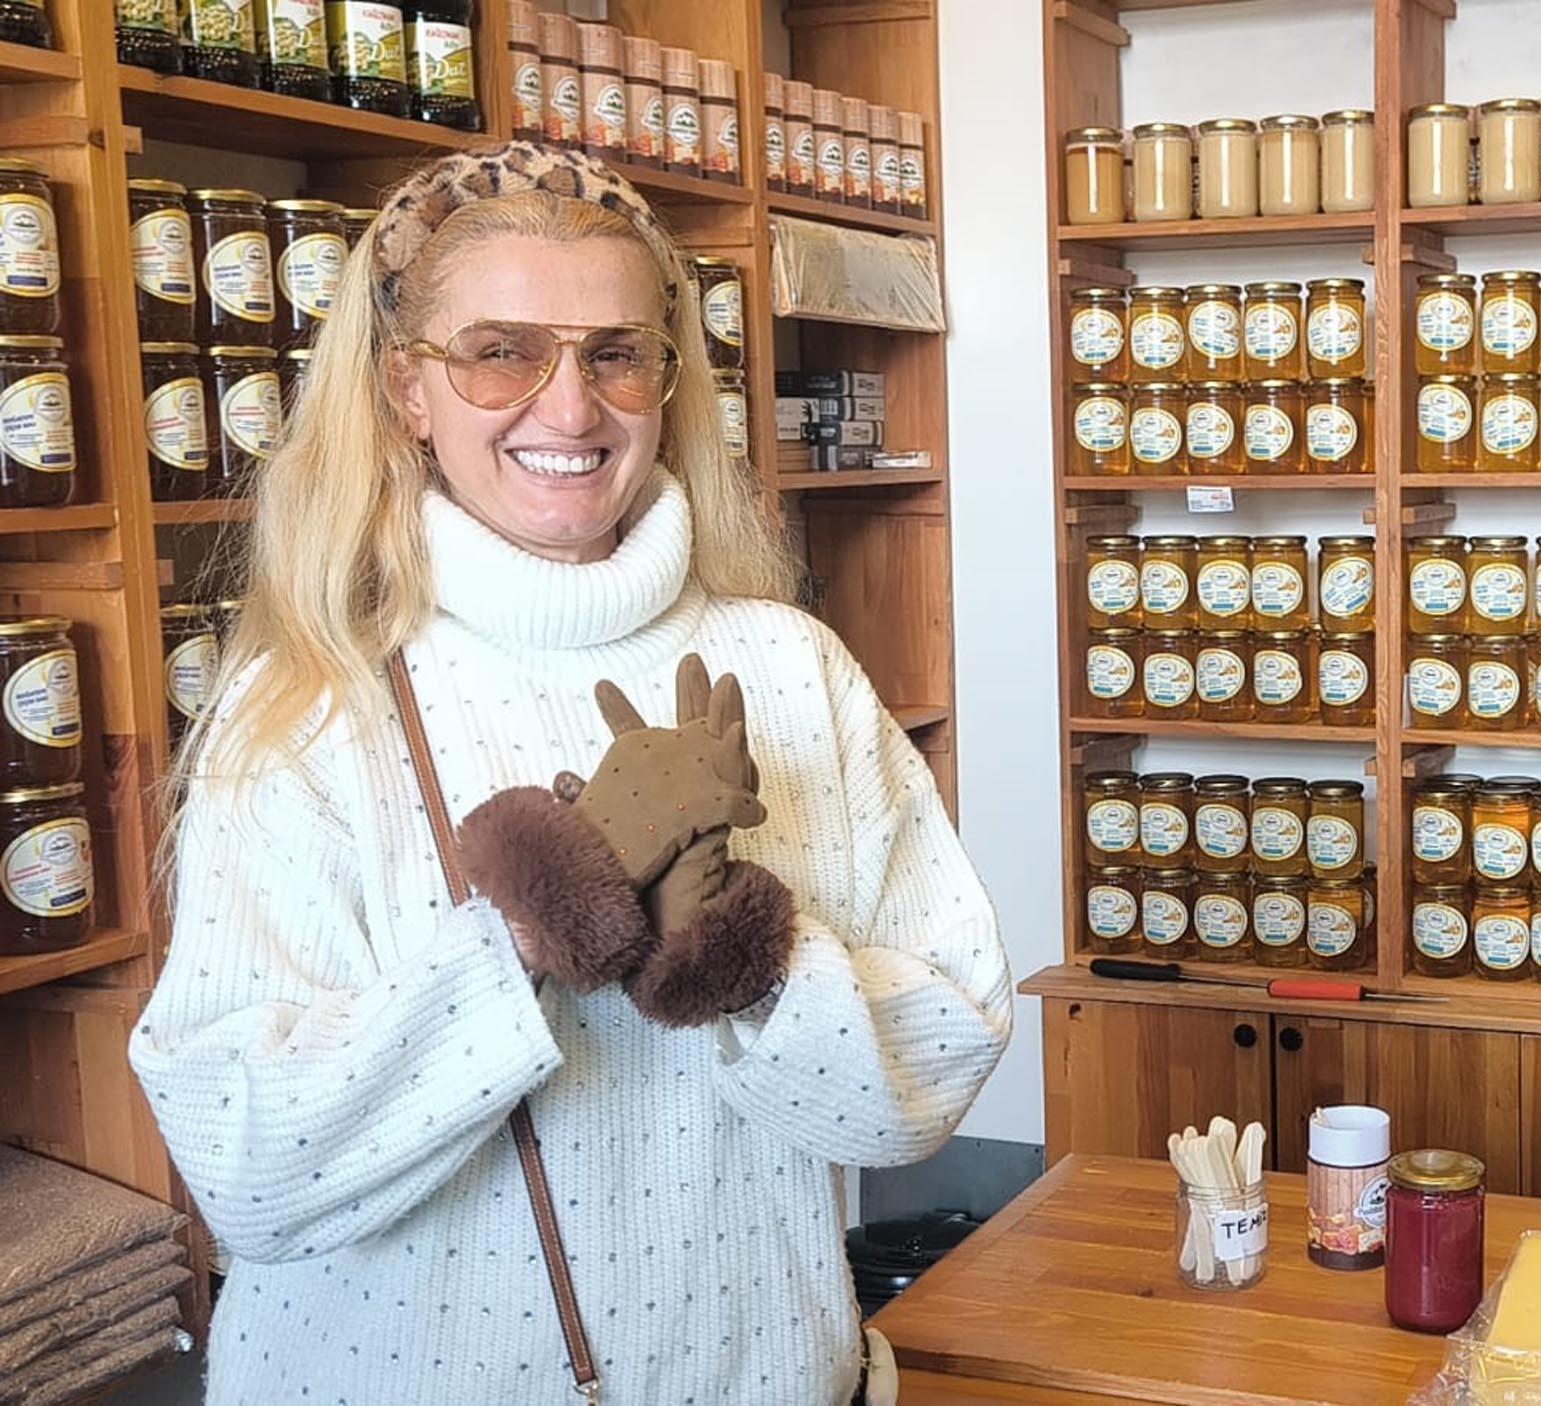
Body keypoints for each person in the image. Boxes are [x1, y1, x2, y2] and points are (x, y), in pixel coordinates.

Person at [129, 143, 1011, 1403]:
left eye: (614, 353)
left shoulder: (793, 664)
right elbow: (246, 1169)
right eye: (500, 350)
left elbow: (935, 1069)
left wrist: (749, 955)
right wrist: (539, 923)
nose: (570, 406)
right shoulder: (305, 704)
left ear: (667, 378)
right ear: (406, 388)